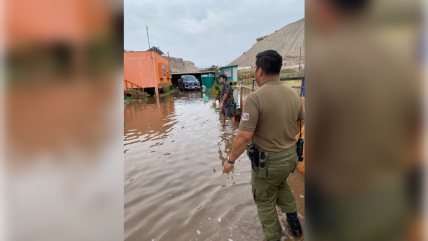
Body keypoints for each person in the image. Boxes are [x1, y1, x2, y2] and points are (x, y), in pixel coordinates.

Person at [223, 50, 304, 240]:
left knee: (265, 200)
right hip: (290, 158)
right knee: (280, 185)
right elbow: (300, 123)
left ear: (259, 71)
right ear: (279, 69)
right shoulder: (293, 94)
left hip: (268, 164)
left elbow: (243, 137)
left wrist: (230, 160)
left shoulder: (254, 98)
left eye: (254, 69)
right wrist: (282, 136)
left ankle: (273, 237)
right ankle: (296, 225)